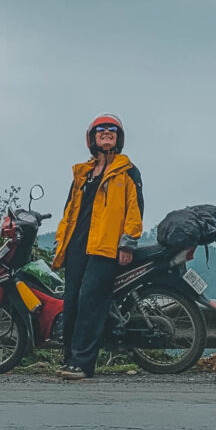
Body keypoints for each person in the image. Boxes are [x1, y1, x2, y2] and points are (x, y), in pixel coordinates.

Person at [52, 114, 143, 380]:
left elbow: (134, 209)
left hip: (106, 246)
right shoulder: (83, 174)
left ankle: (82, 363)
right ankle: (69, 358)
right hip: (77, 244)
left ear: (119, 137)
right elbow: (69, 211)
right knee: (71, 302)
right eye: (101, 129)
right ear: (92, 137)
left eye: (112, 129)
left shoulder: (127, 172)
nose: (107, 132)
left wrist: (128, 243)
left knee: (90, 300)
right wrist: (61, 239)